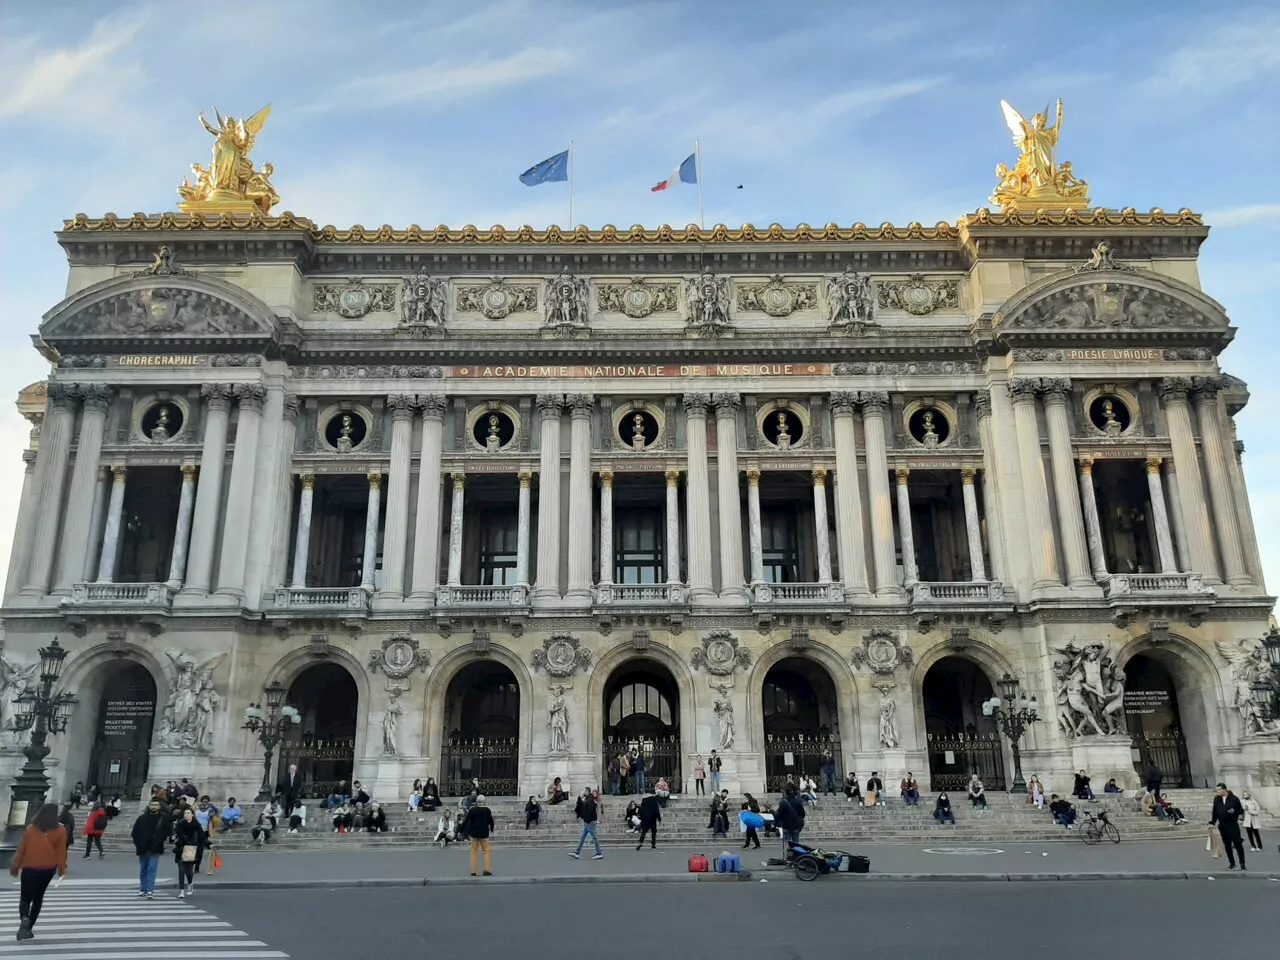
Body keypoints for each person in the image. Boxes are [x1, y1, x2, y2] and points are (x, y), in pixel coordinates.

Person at [10, 803, 68, 941]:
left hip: (30, 867)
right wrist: (62, 871)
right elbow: (61, 852)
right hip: (48, 869)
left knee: (25, 897)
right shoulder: (60, 830)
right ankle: (29, 928)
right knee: (38, 898)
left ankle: (24, 917)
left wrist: (16, 866)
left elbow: (22, 849)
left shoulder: (30, 829)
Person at [131, 798, 169, 898]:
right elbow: (135, 833)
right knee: (143, 869)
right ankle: (143, 889)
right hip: (142, 848)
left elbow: (167, 832)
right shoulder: (141, 818)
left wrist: (159, 840)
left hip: (155, 848)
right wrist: (138, 844)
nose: (154, 807)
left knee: (152, 868)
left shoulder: (163, 818)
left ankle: (150, 890)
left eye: (156, 805)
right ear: (149, 806)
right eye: (152, 805)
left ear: (159, 807)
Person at [1209, 782, 1246, 871]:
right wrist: (1212, 823)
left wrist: (1234, 811)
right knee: (1227, 845)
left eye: (1219, 790)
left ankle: (1242, 864)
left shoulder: (1234, 799)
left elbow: (1240, 810)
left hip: (1232, 824)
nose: (1217, 791)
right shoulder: (1217, 799)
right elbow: (1215, 811)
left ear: (1224, 789)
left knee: (1238, 844)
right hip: (1222, 825)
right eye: (1216, 790)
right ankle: (1232, 863)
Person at [172, 805, 206, 899]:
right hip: (181, 848)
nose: (186, 815)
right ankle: (181, 890)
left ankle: (190, 883)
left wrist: (208, 844)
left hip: (191, 849)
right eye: (185, 813)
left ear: (192, 815)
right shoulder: (180, 824)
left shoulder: (196, 825)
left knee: (189, 872)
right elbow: (175, 834)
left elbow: (202, 837)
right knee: (181, 871)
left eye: (188, 813)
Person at [460, 794, 495, 876]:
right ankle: (486, 870)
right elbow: (491, 821)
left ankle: (473, 871)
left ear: (476, 802)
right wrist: (492, 828)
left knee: (473, 852)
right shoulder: (487, 810)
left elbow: (466, 820)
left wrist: (461, 829)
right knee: (486, 851)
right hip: (484, 834)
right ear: (484, 802)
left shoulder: (472, 810)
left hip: (474, 834)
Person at [569, 788, 604, 860]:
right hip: (587, 821)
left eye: (583, 790)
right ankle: (577, 852)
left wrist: (587, 820)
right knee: (583, 837)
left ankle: (599, 853)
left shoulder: (590, 799)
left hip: (590, 821)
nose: (582, 792)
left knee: (594, 837)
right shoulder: (587, 798)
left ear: (586, 792)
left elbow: (590, 810)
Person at [773, 786, 806, 858]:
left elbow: (780, 814)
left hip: (786, 825)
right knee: (795, 843)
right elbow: (803, 814)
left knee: (787, 842)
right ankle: (796, 857)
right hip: (796, 825)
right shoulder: (798, 801)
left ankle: (788, 857)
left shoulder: (783, 802)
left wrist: (776, 824)